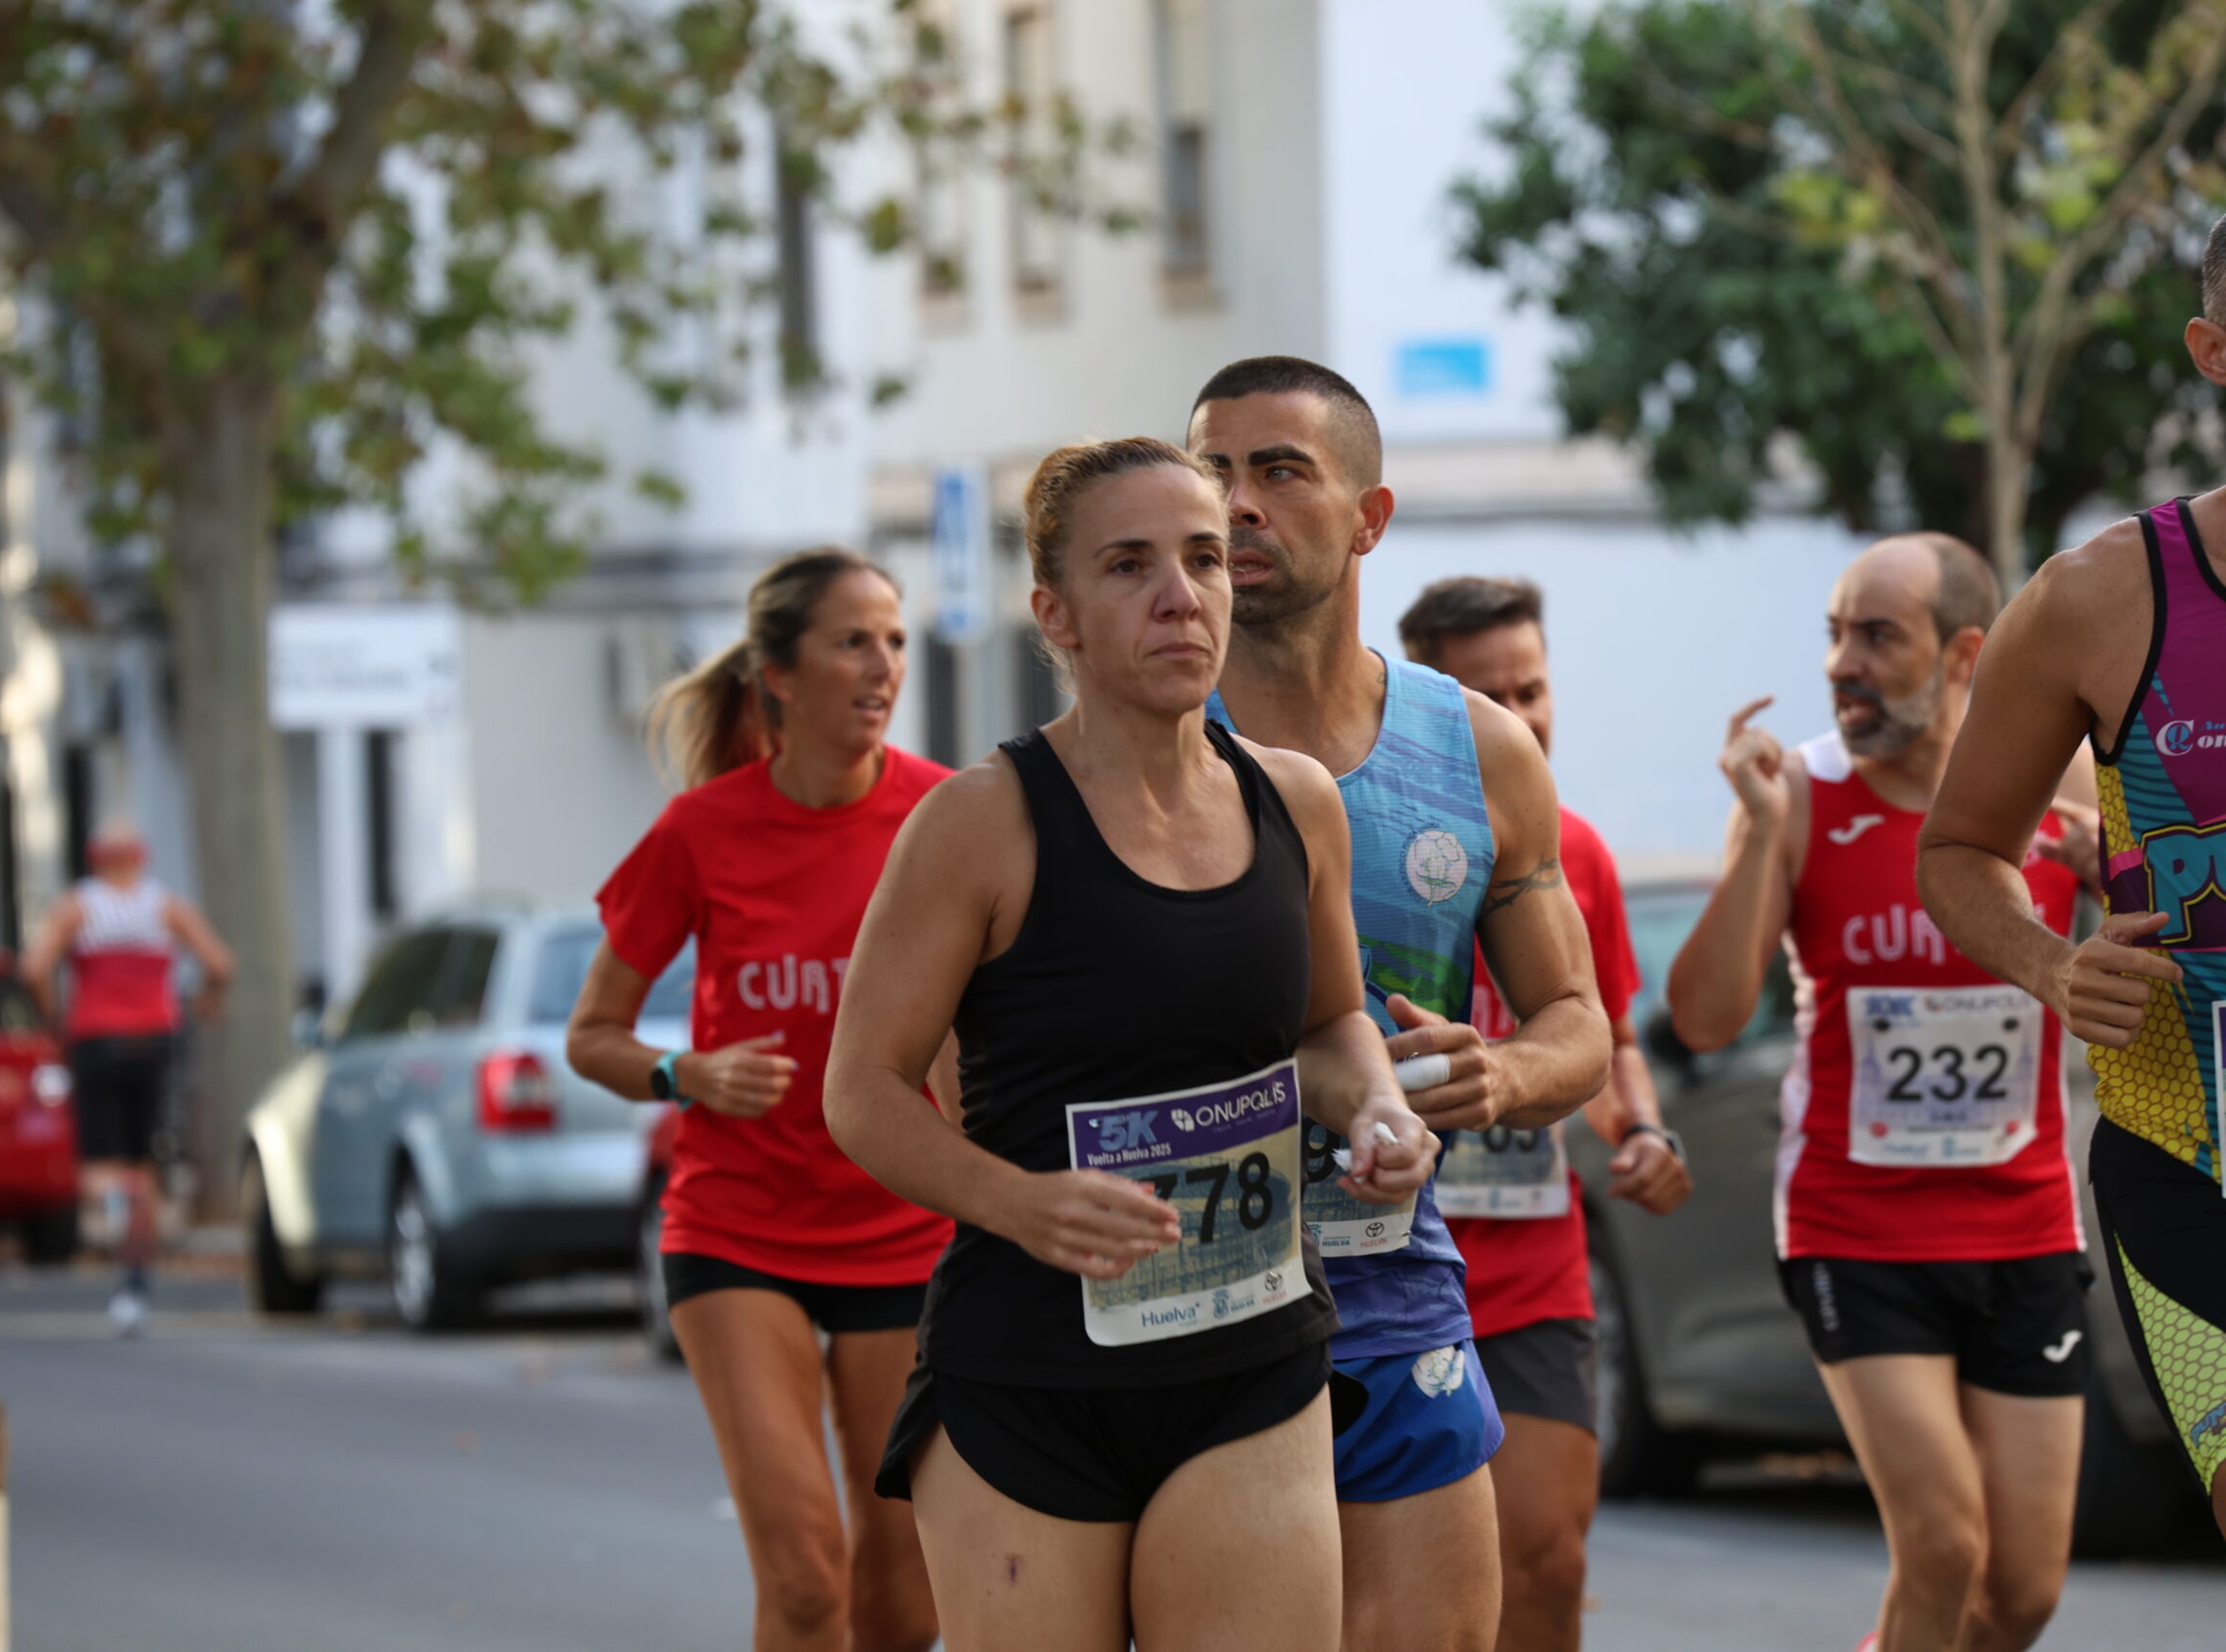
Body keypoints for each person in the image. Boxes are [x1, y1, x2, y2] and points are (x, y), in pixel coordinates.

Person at [826, 436, 1436, 1652]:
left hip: (1249, 1341)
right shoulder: (979, 823)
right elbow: (864, 1089)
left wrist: (1376, 1105)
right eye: (1129, 565)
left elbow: (1327, 1024)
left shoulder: (1295, 802)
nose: (1180, 595)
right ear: (1054, 613)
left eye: (1203, 559)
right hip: (1033, 1376)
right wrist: (1017, 1203)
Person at [1189, 357, 1614, 1652]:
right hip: (1186, 1288)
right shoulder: (1132, 742)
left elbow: (1576, 1022)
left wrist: (1503, 1074)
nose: (1238, 504)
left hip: (1391, 1275)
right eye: (1213, 471)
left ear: (1369, 517)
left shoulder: (1479, 748)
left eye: (1279, 471)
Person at [1667, 534, 2099, 1652]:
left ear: (1964, 655)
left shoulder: (2059, 788)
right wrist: (1758, 839)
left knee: (2019, 1596)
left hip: (2023, 1225)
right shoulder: (1797, 794)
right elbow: (1705, 1019)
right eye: (1832, 635)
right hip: (1855, 1230)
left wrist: (2106, 862)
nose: (1839, 665)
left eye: (1875, 636)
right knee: (1944, 1547)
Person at [563, 549, 949, 1652]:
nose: (883, 665)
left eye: (894, 640)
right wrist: (684, 1073)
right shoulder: (700, 831)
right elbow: (592, 1036)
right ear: (778, 673)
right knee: (806, 1578)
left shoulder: (943, 813)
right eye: (851, 641)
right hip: (740, 1232)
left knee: (905, 1602)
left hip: (903, 1229)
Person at [1916, 215, 2226, 1546]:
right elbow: (1957, 849)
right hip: (2189, 1154)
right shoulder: (2101, 597)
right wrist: (2053, 965)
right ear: (2212, 351)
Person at [1399, 576, 1694, 1652]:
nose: (1521, 720)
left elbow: (1608, 1040)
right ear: (1431, 704)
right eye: (1491, 697)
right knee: (1397, 1591)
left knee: (1549, 1561)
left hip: (1532, 1269)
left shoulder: (1580, 855)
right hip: (1382, 1265)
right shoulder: (1358, 841)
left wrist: (1642, 1130)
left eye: (1533, 689)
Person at [20, 821, 234, 1336]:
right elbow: (220, 963)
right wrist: (207, 1002)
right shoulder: (165, 907)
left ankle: (123, 1238)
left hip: (96, 1042)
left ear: (95, 858)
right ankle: (136, 1276)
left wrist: (53, 1017)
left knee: (101, 1167)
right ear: (141, 858)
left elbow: (34, 968)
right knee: (141, 1165)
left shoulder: (78, 907)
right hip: (155, 1043)